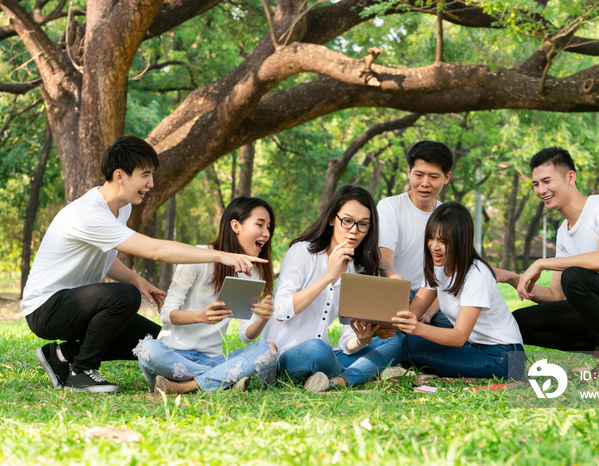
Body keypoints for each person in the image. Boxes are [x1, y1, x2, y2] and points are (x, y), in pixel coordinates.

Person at [23, 136, 265, 393]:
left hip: (74, 304)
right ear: (120, 175)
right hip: (45, 309)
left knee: (152, 341)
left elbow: (104, 257)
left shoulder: (120, 209)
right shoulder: (89, 214)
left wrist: (140, 282)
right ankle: (82, 372)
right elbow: (156, 250)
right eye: (145, 175)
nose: (151, 183)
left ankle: (61, 355)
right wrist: (220, 255)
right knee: (124, 296)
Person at [499, 147, 599, 382]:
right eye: (536, 184)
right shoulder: (563, 233)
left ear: (570, 177)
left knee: (574, 275)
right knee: (518, 323)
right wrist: (511, 278)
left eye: (546, 181)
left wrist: (543, 263)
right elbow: (556, 296)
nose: (541, 190)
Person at [261, 185, 405, 392]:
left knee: (396, 341)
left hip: (327, 355)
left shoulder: (355, 271)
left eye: (363, 224)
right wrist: (328, 275)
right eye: (347, 221)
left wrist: (362, 340)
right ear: (331, 219)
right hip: (287, 356)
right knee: (317, 349)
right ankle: (360, 372)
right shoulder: (301, 252)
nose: (354, 230)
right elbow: (281, 311)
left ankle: (337, 381)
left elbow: (347, 339)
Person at [133, 197, 278, 394]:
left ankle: (186, 386)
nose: (266, 233)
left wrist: (262, 319)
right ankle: (222, 377)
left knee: (268, 349)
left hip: (210, 358)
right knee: (148, 350)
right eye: (260, 225)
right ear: (236, 225)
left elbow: (246, 335)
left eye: (269, 227)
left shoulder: (253, 273)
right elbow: (166, 314)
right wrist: (201, 316)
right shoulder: (199, 256)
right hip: (171, 355)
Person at [392, 202, 526, 380]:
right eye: (431, 237)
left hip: (505, 358)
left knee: (413, 343)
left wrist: (416, 328)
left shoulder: (476, 274)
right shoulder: (439, 266)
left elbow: (458, 337)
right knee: (408, 341)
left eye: (443, 241)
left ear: (460, 240)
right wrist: (381, 324)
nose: (434, 246)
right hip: (475, 347)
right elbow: (412, 313)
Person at [377, 141, 453, 327]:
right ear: (409, 171)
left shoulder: (449, 217)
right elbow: (385, 261)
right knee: (393, 340)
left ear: (447, 177)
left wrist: (427, 313)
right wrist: (398, 292)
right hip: (394, 292)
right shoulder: (389, 206)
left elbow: (448, 277)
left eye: (434, 176)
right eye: (419, 175)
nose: (425, 184)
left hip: (435, 299)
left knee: (467, 333)